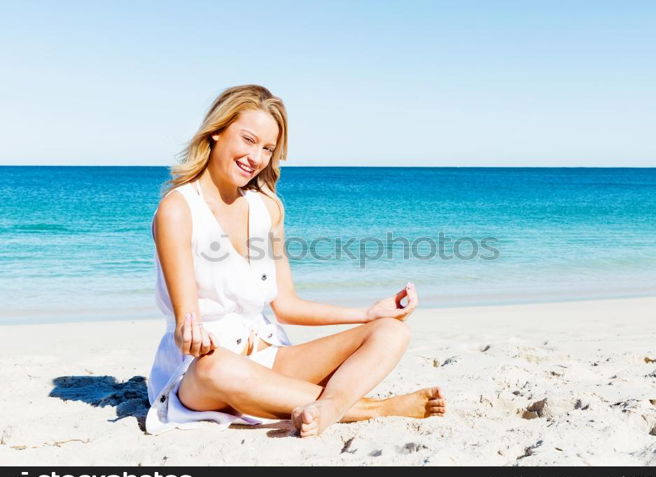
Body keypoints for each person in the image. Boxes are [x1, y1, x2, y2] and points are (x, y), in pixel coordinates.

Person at [145, 84, 446, 438]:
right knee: (219, 369)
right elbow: (187, 324)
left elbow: (286, 306)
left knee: (392, 331)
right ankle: (376, 408)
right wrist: (190, 332)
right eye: (247, 139)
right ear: (216, 133)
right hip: (199, 371)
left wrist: (367, 315)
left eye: (268, 148)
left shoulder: (266, 209)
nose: (255, 157)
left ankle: (329, 408)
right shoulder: (179, 208)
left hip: (270, 358)